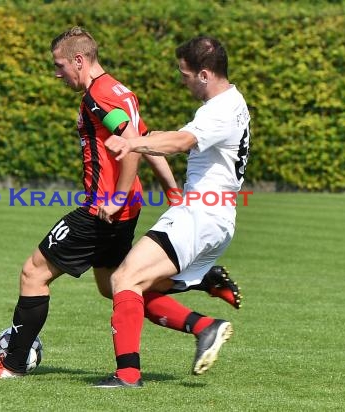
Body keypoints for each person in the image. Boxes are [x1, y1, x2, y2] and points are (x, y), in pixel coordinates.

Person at [0, 28, 241, 379]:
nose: (57, 73)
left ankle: (12, 365)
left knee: (33, 273)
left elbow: (130, 146)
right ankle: (202, 321)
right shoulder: (118, 89)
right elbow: (144, 141)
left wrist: (115, 196)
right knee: (117, 286)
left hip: (103, 210)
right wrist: (171, 191)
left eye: (60, 65)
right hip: (123, 209)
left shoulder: (99, 96)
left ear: (79, 61)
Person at [94, 35, 251, 388]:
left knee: (124, 280)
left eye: (185, 74)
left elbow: (181, 142)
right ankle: (204, 322)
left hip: (199, 216)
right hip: (215, 218)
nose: (182, 80)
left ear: (205, 74)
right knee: (133, 290)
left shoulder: (220, 110)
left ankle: (128, 375)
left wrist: (132, 142)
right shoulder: (234, 101)